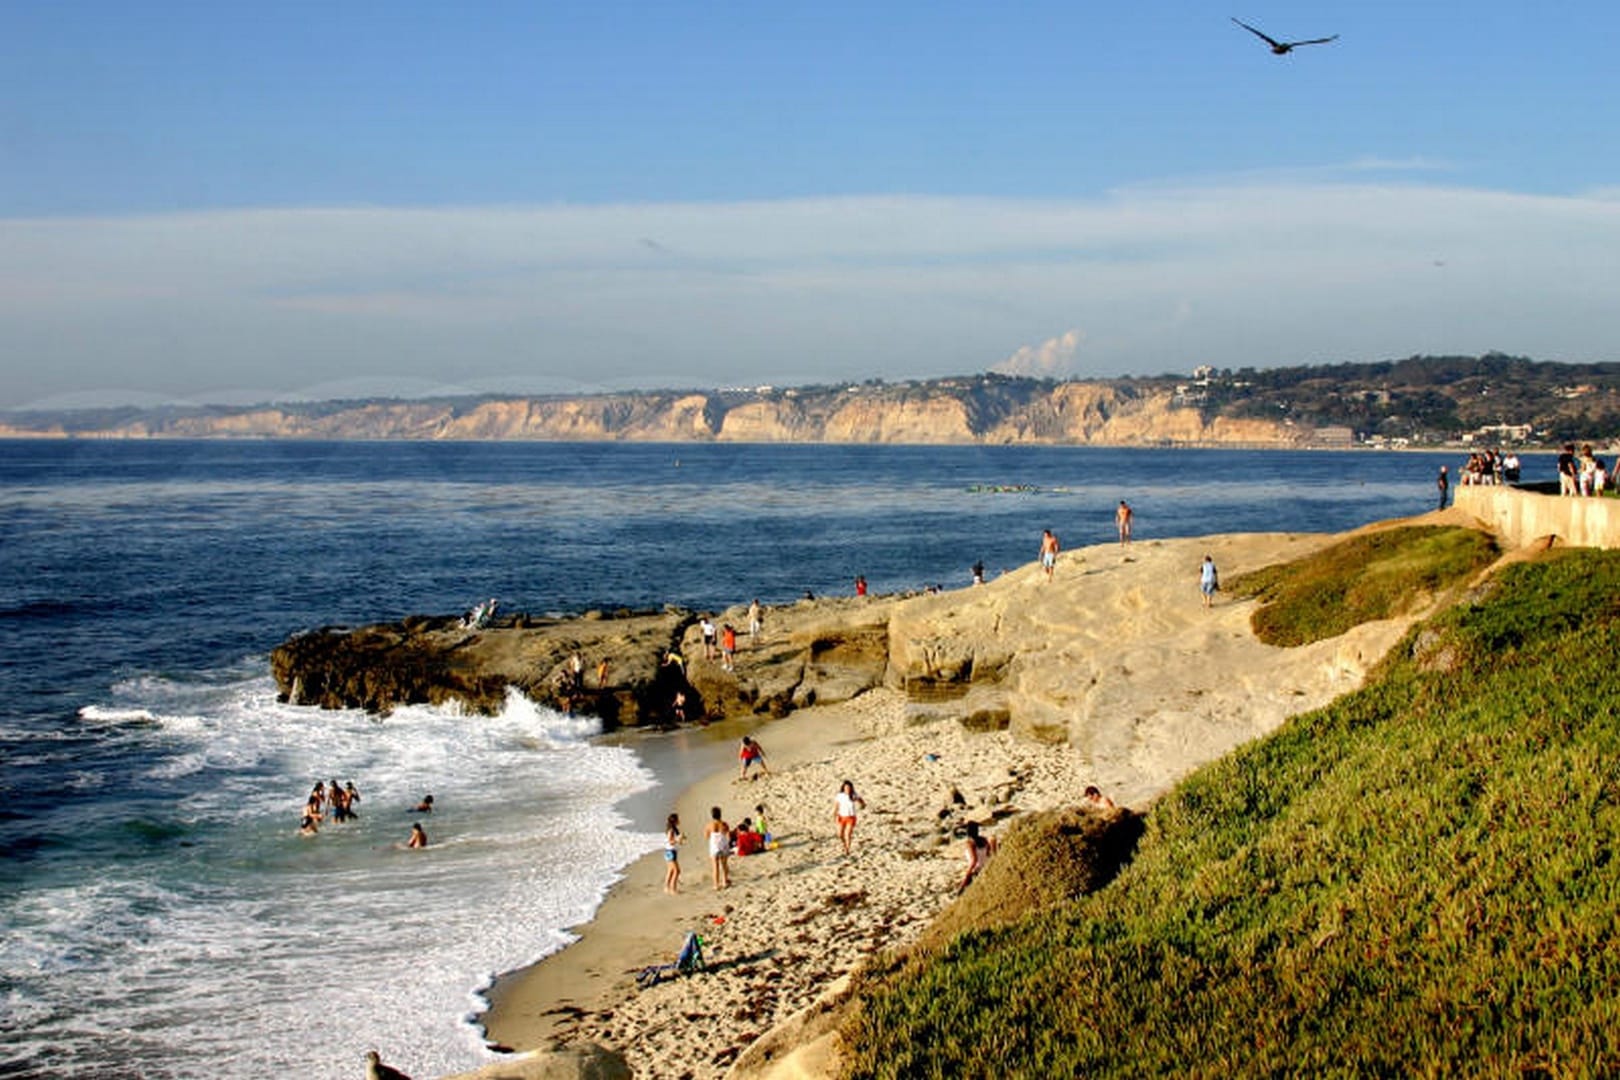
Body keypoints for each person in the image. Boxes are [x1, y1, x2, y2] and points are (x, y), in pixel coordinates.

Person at [956, 821, 997, 894]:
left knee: (962, 893)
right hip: (987, 868)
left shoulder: (970, 843)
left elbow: (974, 861)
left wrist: (966, 877)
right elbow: (988, 854)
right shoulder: (984, 840)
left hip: (976, 870)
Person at [834, 779, 866, 855]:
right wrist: (835, 816)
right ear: (843, 788)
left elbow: (860, 800)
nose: (847, 789)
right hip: (841, 816)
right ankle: (844, 844)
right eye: (846, 788)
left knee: (848, 834)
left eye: (849, 788)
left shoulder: (854, 794)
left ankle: (847, 849)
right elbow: (836, 807)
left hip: (851, 817)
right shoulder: (840, 796)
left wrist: (862, 805)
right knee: (840, 834)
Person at [706, 806, 731, 890]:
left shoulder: (709, 825)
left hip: (714, 846)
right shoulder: (724, 824)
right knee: (724, 865)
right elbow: (728, 834)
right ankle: (724, 881)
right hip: (723, 845)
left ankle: (716, 884)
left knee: (715, 866)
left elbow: (707, 836)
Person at [664, 813, 685, 894]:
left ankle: (667, 887)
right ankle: (673, 889)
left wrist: (680, 839)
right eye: (678, 819)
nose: (679, 820)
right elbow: (670, 841)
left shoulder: (674, 829)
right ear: (675, 821)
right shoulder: (671, 830)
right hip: (670, 851)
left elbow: (675, 841)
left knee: (671, 870)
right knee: (677, 871)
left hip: (671, 851)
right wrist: (677, 839)